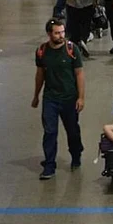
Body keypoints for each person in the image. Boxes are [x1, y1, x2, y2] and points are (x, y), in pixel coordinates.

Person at [32, 19, 85, 180]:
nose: (61, 35)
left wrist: (81, 97)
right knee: (49, 132)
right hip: (50, 98)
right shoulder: (42, 51)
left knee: (72, 131)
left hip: (70, 98)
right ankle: (49, 165)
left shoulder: (72, 49)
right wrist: (36, 96)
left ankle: (76, 154)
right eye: (57, 33)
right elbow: (40, 75)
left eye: (62, 32)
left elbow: (79, 74)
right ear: (49, 34)